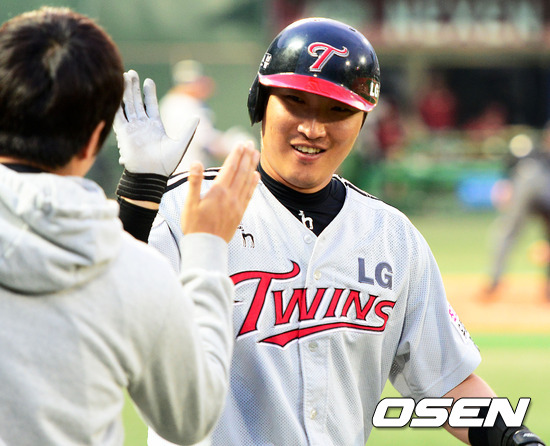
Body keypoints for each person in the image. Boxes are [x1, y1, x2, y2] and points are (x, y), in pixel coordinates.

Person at [116, 17, 545, 446]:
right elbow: (109, 318)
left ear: (362, 121)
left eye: (338, 110)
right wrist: (137, 197)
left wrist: (515, 439)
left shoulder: (392, 238)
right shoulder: (185, 208)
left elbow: (447, 381)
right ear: (259, 103)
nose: (313, 128)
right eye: (296, 102)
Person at [0, 7, 259, 446]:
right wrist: (206, 247)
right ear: (94, 139)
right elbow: (190, 417)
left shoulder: (129, 266)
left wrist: (142, 188)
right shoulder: (138, 271)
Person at [485, 126, 550, 301]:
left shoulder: (532, 156)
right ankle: (494, 281)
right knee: (508, 230)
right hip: (530, 181)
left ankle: (495, 281)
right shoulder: (533, 154)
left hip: (531, 182)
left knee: (508, 231)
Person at [159, 59, 252, 173]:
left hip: (176, 172)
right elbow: (208, 143)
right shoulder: (185, 104)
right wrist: (236, 144)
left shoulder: (171, 101)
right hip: (186, 173)